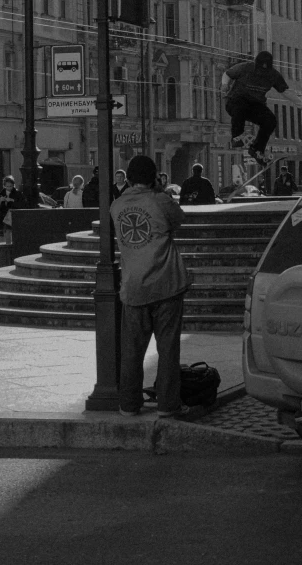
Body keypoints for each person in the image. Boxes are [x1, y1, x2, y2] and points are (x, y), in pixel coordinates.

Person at [110, 155, 194, 419]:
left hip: (134, 287)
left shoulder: (117, 205)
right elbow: (179, 219)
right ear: (154, 177)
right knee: (167, 349)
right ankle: (168, 405)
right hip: (166, 285)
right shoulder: (161, 201)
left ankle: (129, 404)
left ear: (130, 178)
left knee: (132, 350)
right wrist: (158, 190)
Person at [221, 51, 302, 166]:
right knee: (240, 106)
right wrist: (224, 84)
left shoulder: (273, 75)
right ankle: (236, 136)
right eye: (260, 70)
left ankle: (257, 150)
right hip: (235, 101)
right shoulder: (246, 67)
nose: (262, 73)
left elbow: (285, 91)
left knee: (270, 120)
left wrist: (301, 105)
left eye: (265, 70)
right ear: (256, 65)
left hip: (255, 105)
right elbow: (227, 74)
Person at [0, 175, 23, 244]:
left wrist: (12, 200)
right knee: (7, 231)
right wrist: (1, 201)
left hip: (14, 215)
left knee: (14, 232)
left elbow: (21, 204)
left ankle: (15, 245)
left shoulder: (17, 193)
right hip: (5, 216)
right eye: (7, 186)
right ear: (4, 186)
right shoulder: (1, 193)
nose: (9, 188)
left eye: (10, 186)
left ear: (13, 185)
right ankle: (8, 246)